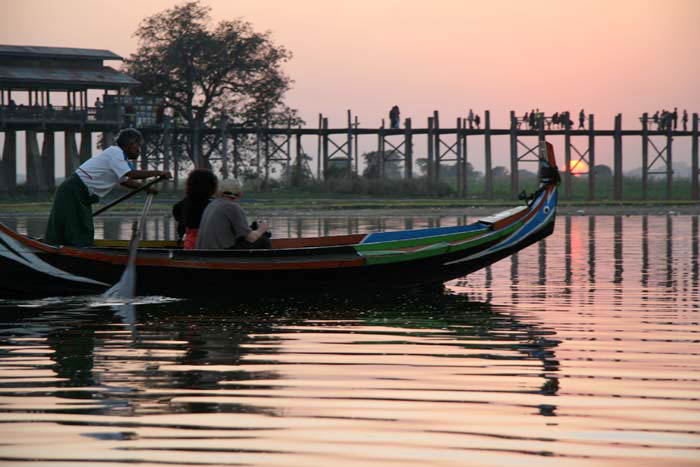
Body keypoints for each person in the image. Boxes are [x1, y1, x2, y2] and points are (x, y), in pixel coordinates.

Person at [44, 128, 172, 247]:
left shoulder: (121, 159)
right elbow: (131, 174)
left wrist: (146, 188)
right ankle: (61, 251)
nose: (139, 150)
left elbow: (125, 181)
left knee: (81, 229)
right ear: (131, 143)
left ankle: (70, 250)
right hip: (73, 191)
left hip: (81, 194)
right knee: (76, 230)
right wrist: (159, 173)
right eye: (138, 145)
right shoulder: (115, 152)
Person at [195, 178, 271, 250]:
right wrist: (262, 229)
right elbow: (251, 238)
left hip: (202, 252)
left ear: (220, 192)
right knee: (264, 241)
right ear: (240, 193)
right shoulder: (232, 206)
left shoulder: (211, 204)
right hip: (220, 253)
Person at [172, 169, 218, 249]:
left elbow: (180, 228)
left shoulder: (180, 205)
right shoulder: (213, 206)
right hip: (208, 247)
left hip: (189, 246)